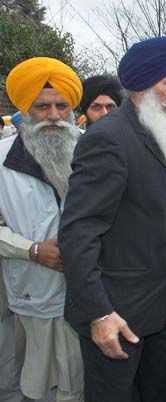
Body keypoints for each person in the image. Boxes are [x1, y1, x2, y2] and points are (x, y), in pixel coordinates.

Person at [59, 36, 166, 402]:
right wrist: (99, 313)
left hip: (164, 312)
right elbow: (78, 233)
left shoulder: (164, 135)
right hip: (117, 315)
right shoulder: (108, 139)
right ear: (141, 86)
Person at [2, 56, 84, 402]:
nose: (53, 115)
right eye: (42, 107)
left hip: (88, 297)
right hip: (32, 296)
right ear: (25, 109)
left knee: (81, 386)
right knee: (35, 386)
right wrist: (32, 250)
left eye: (61, 106)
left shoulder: (93, 150)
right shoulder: (3, 158)